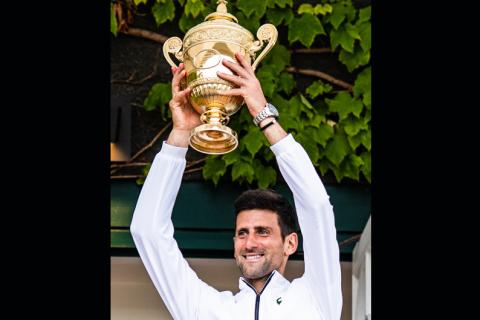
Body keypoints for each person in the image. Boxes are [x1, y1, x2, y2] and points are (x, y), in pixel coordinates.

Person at [130, 52, 343, 319]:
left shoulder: (315, 298)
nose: (249, 242)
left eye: (263, 231)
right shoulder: (208, 309)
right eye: (242, 233)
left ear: (290, 243)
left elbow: (317, 207)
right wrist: (181, 134)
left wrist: (263, 116)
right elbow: (146, 230)